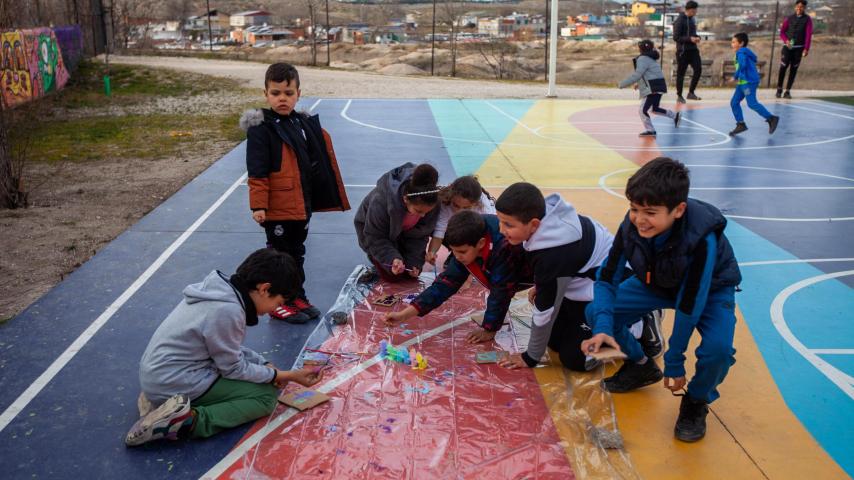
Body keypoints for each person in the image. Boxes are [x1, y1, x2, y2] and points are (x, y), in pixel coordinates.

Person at [581, 158, 741, 443]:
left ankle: (696, 401)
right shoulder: (631, 226)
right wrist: (603, 327)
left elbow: (690, 304)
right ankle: (641, 365)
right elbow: (606, 279)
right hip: (656, 283)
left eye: (650, 212)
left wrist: (675, 361)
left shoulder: (702, 239)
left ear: (678, 210)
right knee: (596, 312)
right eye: (634, 209)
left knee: (718, 350)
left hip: (710, 290)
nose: (640, 219)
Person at [125, 248, 323, 447]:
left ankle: (161, 401)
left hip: (159, 374)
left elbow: (228, 349)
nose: (274, 309)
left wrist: (264, 365)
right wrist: (283, 376)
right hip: (174, 380)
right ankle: (186, 421)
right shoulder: (228, 311)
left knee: (263, 378)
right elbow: (233, 368)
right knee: (265, 397)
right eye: (278, 302)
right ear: (264, 289)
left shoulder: (220, 293)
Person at [494, 183, 661, 372]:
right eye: (500, 221)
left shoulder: (553, 252)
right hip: (586, 285)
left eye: (508, 224)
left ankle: (639, 322)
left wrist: (530, 357)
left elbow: (545, 310)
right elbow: (560, 273)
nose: (501, 230)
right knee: (554, 341)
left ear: (534, 224)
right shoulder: (545, 221)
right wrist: (543, 287)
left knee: (575, 359)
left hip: (614, 287)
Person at [241, 62, 350, 324]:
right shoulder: (261, 128)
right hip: (277, 206)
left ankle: (294, 295)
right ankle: (278, 302)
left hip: (301, 205)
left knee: (297, 253)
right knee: (280, 257)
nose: (282, 98)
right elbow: (256, 171)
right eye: (276, 93)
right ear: (266, 94)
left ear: (298, 94)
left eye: (288, 93)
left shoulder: (301, 123)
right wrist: (259, 206)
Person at [384, 210, 531, 344]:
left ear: (481, 243)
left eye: (462, 251)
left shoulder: (504, 248)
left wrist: (489, 329)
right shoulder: (467, 240)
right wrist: (404, 315)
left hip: (537, 273)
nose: (457, 256)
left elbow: (501, 292)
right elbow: (445, 284)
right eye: (453, 251)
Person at [354, 162, 441, 282]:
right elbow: (376, 237)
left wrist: (414, 263)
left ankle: (400, 258)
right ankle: (375, 258)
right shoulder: (381, 201)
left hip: (401, 233)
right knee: (394, 275)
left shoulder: (431, 201)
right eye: (418, 211)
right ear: (405, 199)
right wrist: (392, 259)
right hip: (373, 234)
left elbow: (420, 236)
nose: (423, 215)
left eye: (426, 212)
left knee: (410, 275)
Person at [425, 175, 496, 266]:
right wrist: (432, 252)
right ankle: (456, 254)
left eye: (466, 208)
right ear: (451, 198)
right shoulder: (446, 202)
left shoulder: (485, 209)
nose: (460, 211)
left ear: (475, 204)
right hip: (459, 229)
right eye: (456, 205)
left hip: (477, 234)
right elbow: (439, 233)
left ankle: (471, 257)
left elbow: (490, 236)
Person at [619, 39, 681, 138]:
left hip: (653, 88)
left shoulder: (643, 58)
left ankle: (650, 130)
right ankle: (675, 116)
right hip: (658, 85)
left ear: (641, 49)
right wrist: (639, 84)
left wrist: (623, 84)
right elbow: (648, 74)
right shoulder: (650, 58)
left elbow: (638, 74)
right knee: (654, 109)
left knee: (642, 110)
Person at [728, 33, 780, 136]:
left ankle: (771, 118)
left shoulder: (741, 52)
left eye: (734, 42)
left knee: (752, 103)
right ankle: (741, 124)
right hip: (742, 83)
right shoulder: (743, 52)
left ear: (741, 43)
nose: (732, 44)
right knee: (734, 102)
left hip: (748, 83)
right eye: (732, 42)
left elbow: (742, 65)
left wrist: (735, 76)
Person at [776, 0, 813, 99]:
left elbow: (808, 35)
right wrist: (786, 40)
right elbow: (782, 32)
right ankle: (779, 89)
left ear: (804, 8)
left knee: (793, 69)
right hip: (787, 47)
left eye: (801, 7)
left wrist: (806, 49)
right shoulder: (789, 18)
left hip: (798, 49)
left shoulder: (807, 19)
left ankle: (787, 91)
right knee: (783, 67)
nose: (799, 8)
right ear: (795, 7)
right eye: (798, 6)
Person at [673, 1, 703, 104]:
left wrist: (697, 37)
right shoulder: (679, 20)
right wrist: (690, 39)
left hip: (693, 50)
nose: (696, 12)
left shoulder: (692, 20)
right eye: (695, 10)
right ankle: (679, 95)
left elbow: (693, 33)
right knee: (681, 74)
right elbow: (676, 37)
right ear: (690, 10)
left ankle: (691, 92)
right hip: (683, 51)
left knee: (698, 69)